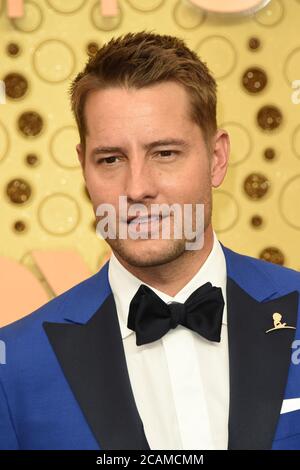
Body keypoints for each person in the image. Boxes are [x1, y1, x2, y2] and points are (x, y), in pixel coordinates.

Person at [0, 31, 300, 451]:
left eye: (165, 153)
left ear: (217, 159)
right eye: (111, 159)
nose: (137, 187)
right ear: (83, 168)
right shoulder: (14, 366)